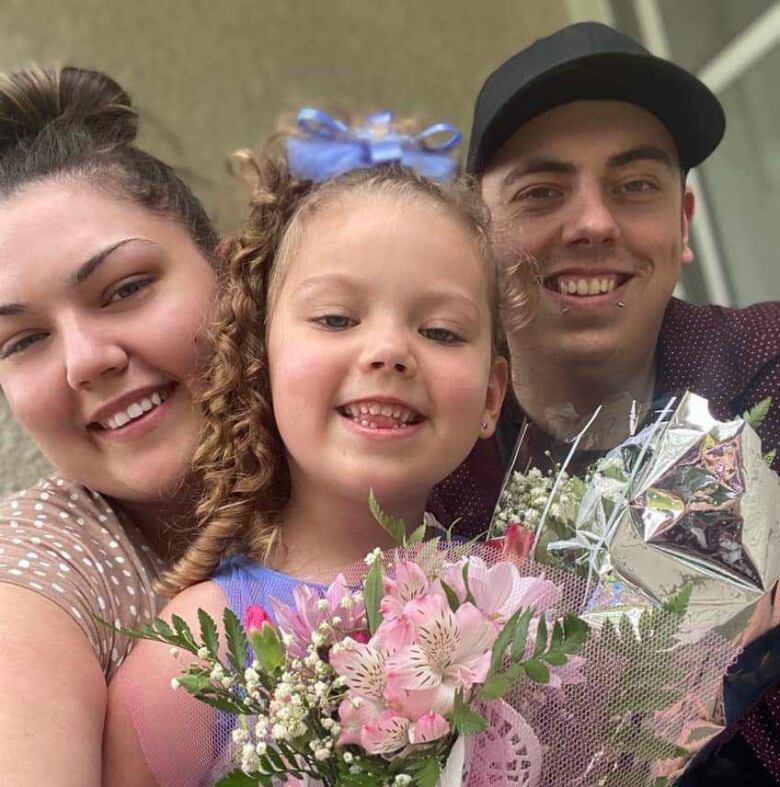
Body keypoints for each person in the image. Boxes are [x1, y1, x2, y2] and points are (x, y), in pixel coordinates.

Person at [102, 149, 508, 783]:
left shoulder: (514, 609)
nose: (389, 351)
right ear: (261, 356)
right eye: (336, 319)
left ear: (490, 397)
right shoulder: (193, 652)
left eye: (441, 331)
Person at [456, 21, 780, 785]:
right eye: (542, 191)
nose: (595, 222)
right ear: (476, 232)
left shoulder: (769, 373)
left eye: (635, 186)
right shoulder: (431, 452)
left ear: (683, 223)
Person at [0, 65, 220, 785]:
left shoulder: (385, 437)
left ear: (230, 274)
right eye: (24, 340)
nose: (86, 362)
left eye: (124, 289)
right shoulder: (44, 567)